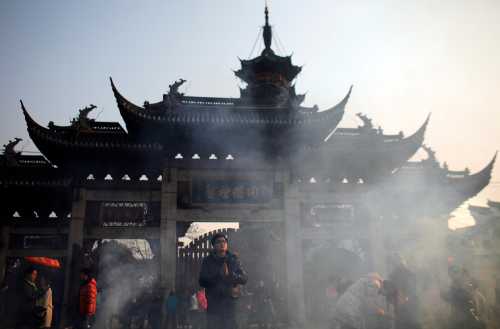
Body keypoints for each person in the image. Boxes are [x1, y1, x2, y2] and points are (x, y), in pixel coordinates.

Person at [199, 232, 248, 329]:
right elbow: (202, 281)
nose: (222, 244)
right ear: (214, 245)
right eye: (218, 242)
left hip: (231, 305)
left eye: (224, 241)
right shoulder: (207, 261)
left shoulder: (233, 259)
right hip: (214, 306)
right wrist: (218, 275)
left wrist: (230, 275)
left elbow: (244, 278)